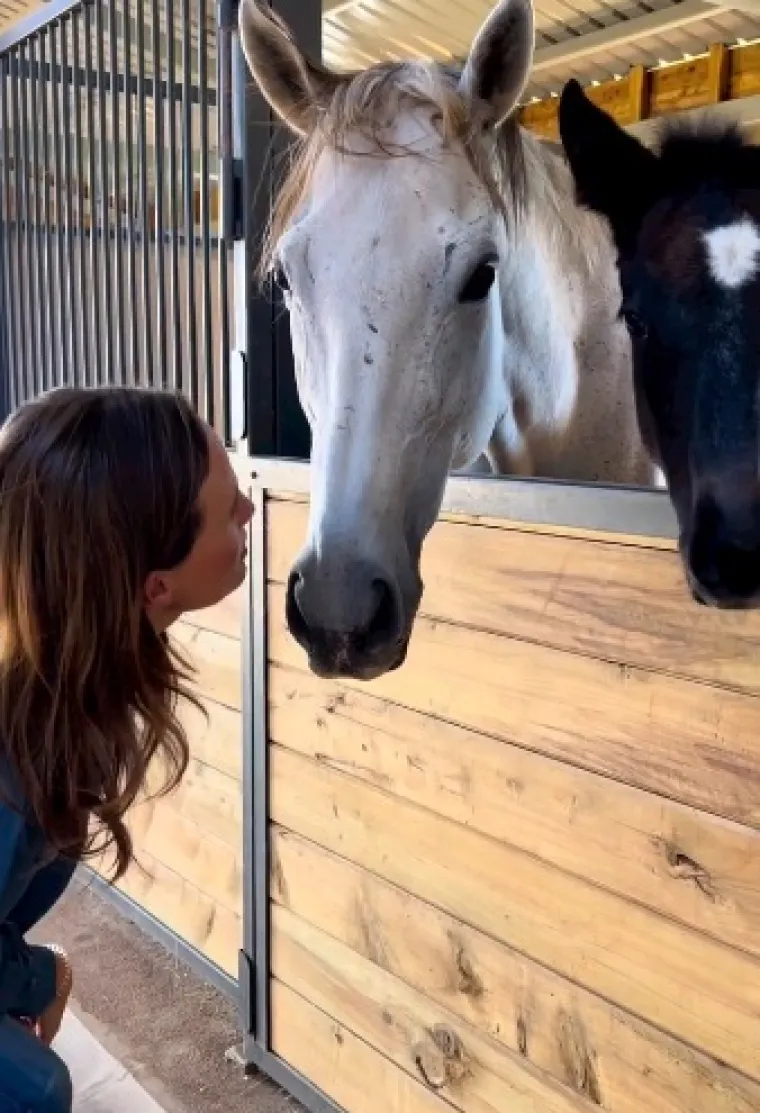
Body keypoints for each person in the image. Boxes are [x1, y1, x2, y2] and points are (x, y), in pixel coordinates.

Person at [0, 385, 253, 1112]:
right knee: (36, 1088)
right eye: (227, 508)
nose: (248, 509)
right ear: (155, 587)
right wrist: (38, 981)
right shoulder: (16, 766)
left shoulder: (58, 695)